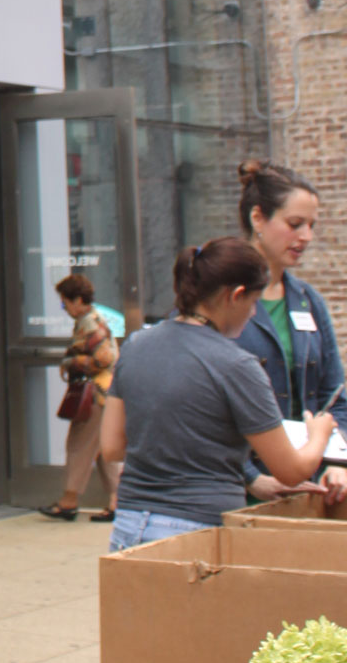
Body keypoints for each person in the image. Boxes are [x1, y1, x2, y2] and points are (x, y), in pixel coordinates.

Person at [101, 237, 337, 551]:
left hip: (129, 526)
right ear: (234, 295)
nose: (253, 314)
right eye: (253, 303)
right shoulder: (236, 365)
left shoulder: (134, 346)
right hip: (197, 531)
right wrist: (319, 434)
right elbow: (292, 471)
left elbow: (112, 448)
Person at [231, 159, 347, 504]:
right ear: (258, 218)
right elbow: (197, 410)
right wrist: (251, 478)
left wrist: (337, 461)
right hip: (238, 493)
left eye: (311, 225)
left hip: (309, 487)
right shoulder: (218, 299)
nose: (306, 237)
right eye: (295, 224)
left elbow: (336, 396)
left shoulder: (308, 301)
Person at [38, 274, 121, 522]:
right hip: (106, 393)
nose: (65, 309)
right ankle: (118, 503)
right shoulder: (94, 320)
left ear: (78, 300)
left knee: (78, 446)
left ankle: (69, 501)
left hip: (95, 394)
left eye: (65, 303)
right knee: (104, 451)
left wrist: (71, 362)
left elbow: (104, 359)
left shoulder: (89, 323)